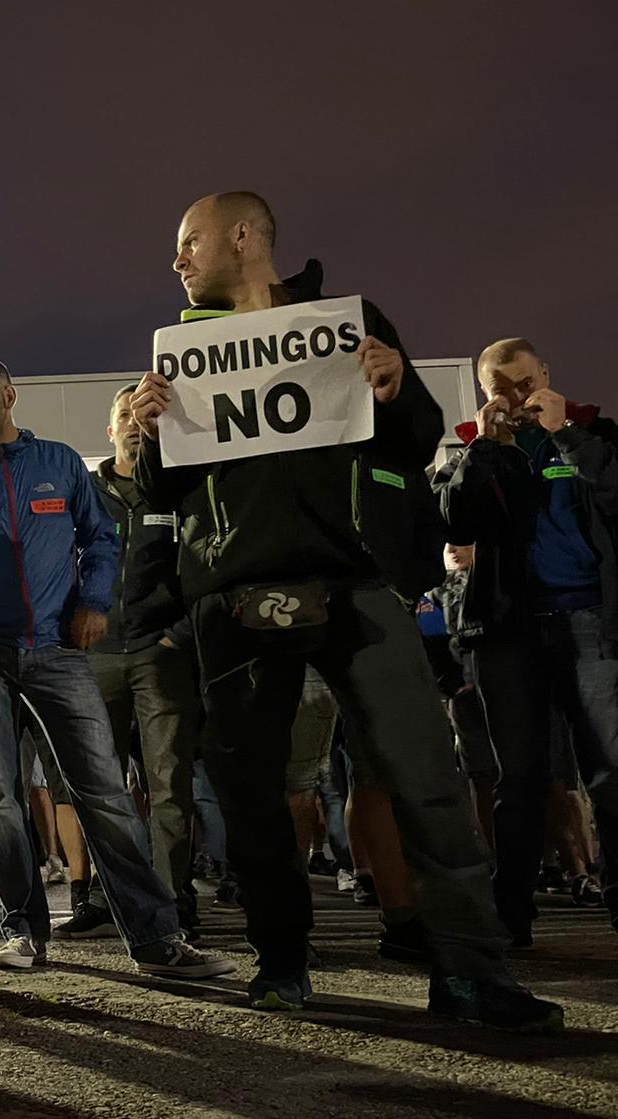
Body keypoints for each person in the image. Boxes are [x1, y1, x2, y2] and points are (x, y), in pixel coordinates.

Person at [129, 191, 561, 1029]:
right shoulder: (180, 357)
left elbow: (414, 437)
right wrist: (150, 438)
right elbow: (162, 492)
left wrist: (396, 391)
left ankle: (470, 970)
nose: (176, 261)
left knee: (427, 778)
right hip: (236, 598)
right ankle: (282, 961)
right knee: (254, 795)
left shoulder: (352, 320)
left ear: (245, 237)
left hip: (360, 587)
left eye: (189, 242)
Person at [0, 358, 233, 979]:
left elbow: (101, 538)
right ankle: (23, 931)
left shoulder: (59, 463)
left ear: (9, 395)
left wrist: (92, 602)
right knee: (0, 799)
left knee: (106, 796)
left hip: (59, 654)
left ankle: (156, 939)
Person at [435, 336, 618, 943]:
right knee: (519, 778)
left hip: (588, 618)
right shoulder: (473, 448)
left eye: (522, 382)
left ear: (545, 371)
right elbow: (453, 517)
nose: (515, 398)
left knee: (607, 770)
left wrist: (568, 435)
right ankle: (511, 914)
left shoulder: (595, 433)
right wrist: (487, 447)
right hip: (509, 631)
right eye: (499, 389)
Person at [63, 385, 204, 939]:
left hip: (159, 656)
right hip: (94, 657)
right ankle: (107, 896)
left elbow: (202, 564)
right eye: (121, 416)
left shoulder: (176, 490)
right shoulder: (85, 493)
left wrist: (179, 635)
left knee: (170, 783)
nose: (130, 424)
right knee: (100, 785)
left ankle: (174, 902)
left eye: (137, 416)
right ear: (108, 429)